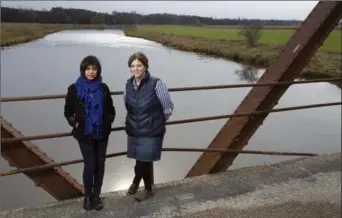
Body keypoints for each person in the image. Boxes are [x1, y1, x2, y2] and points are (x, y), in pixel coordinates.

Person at [64, 55, 116, 211]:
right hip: (84, 134)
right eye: (88, 69)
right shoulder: (74, 89)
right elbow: (68, 111)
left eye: (94, 69)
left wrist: (107, 122)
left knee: (100, 165)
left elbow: (111, 110)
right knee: (90, 165)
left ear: (98, 70)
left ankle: (96, 196)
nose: (91, 72)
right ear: (83, 70)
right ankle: (87, 197)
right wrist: (75, 122)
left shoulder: (104, 88)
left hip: (102, 133)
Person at [123, 52, 174, 201]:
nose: (136, 69)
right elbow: (127, 105)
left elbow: (168, 108)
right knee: (139, 160)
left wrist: (155, 122)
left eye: (139, 65)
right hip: (134, 128)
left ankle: (148, 189)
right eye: (132, 66)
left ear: (145, 67)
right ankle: (136, 181)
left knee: (144, 160)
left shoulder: (157, 84)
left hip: (151, 130)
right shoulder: (128, 85)